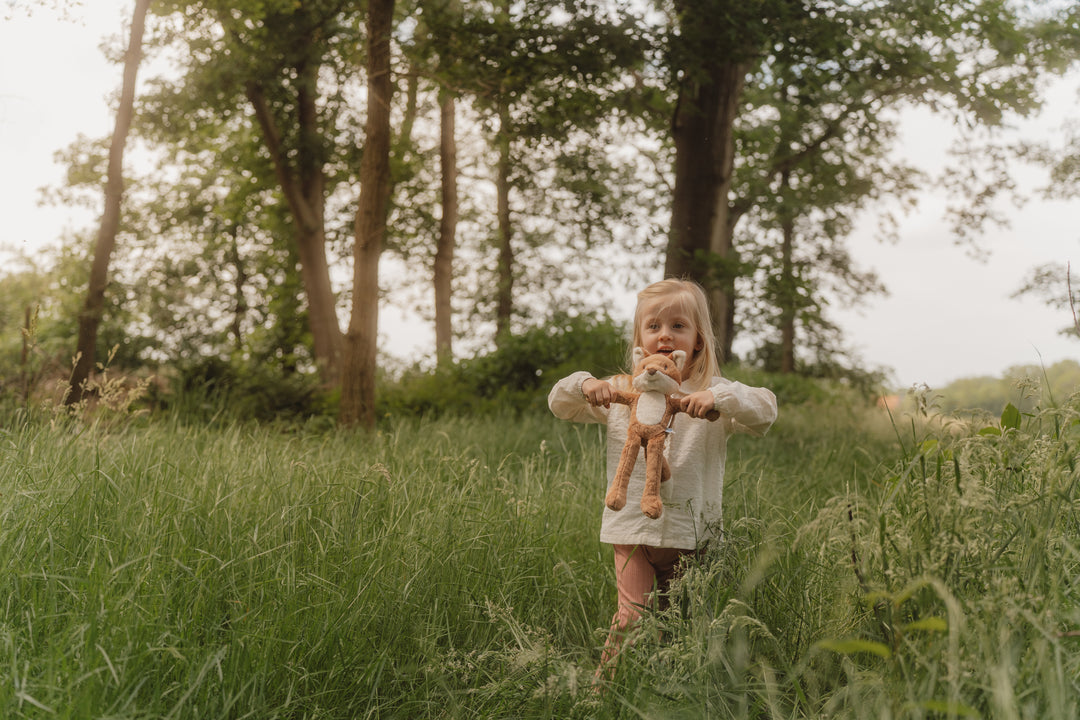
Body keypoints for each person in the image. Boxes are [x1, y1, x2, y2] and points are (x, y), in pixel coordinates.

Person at [547, 278, 778, 681]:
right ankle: (602, 695)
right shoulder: (623, 392)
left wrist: (722, 399)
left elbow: (766, 410)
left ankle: (672, 693)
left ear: (698, 340)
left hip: (692, 533)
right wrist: (586, 384)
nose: (665, 335)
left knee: (684, 625)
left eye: (678, 326)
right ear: (640, 340)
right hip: (632, 528)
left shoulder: (712, 395)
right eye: (653, 326)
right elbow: (560, 403)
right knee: (631, 617)